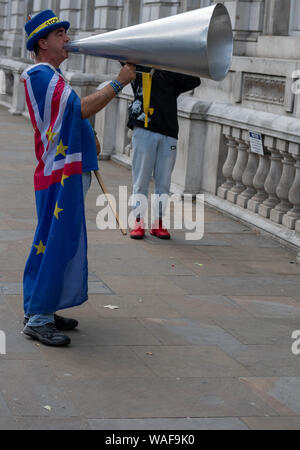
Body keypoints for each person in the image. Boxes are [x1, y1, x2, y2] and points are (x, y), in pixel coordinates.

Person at [21, 10, 136, 347]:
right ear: (43, 42)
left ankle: (43, 307)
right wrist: (118, 82)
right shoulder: (40, 74)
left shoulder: (52, 75)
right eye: (60, 35)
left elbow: (68, 116)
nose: (68, 39)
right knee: (56, 242)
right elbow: (77, 109)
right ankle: (39, 317)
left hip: (63, 172)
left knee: (56, 241)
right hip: (59, 175)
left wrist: (88, 136)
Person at [128, 66, 200, 240]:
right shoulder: (140, 69)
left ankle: (158, 222)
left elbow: (195, 79)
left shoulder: (172, 72)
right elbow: (124, 58)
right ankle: (138, 221)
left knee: (164, 182)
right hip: (144, 127)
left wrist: (171, 63)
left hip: (168, 131)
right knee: (141, 180)